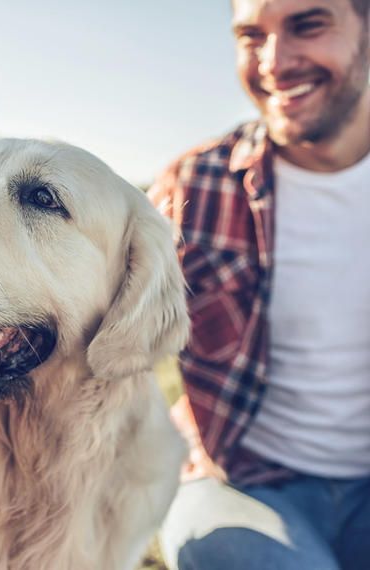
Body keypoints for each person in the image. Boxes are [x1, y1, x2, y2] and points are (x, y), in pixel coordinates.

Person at [148, 0, 370, 568]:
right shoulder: (195, 185)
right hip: (239, 483)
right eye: (251, 35)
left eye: (307, 24)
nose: (275, 60)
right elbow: (83, 325)